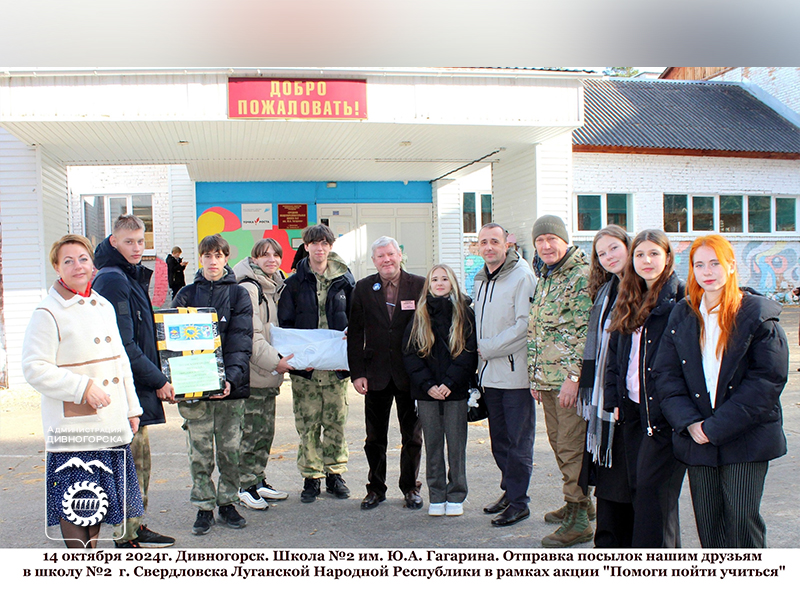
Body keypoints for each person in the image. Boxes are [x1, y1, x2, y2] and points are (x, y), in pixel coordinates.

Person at [655, 235, 788, 548]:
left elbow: (767, 380)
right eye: (699, 264)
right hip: (698, 437)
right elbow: (666, 374)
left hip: (746, 438)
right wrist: (690, 422)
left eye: (714, 262)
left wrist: (716, 427)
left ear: (731, 265)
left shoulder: (757, 316)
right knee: (710, 526)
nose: (707, 271)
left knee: (741, 521)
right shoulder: (683, 314)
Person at [22, 235, 144, 548]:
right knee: (78, 505)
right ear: (56, 267)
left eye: (83, 258)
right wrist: (83, 387)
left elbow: (120, 362)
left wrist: (131, 408)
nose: (78, 266)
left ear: (92, 263)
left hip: (109, 423)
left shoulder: (101, 304)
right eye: (68, 260)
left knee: (97, 506)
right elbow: (35, 368)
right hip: (74, 427)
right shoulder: (47, 313)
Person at [93, 214, 175, 548]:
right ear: (114, 241)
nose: (137, 247)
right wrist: (158, 380)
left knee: (138, 463)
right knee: (129, 464)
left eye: (141, 241)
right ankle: (124, 534)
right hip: (125, 392)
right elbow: (123, 346)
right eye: (129, 241)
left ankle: (134, 525)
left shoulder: (125, 276)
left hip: (134, 390)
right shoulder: (113, 280)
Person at [605, 229, 686, 548]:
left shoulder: (680, 300)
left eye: (654, 253)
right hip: (633, 412)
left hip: (663, 417)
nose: (646, 260)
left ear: (667, 258)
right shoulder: (629, 296)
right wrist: (615, 399)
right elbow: (616, 356)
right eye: (640, 254)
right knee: (640, 490)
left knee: (655, 497)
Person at [173, 234, 253, 534]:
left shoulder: (238, 295)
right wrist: (179, 380)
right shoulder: (185, 294)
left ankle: (228, 503)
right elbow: (173, 344)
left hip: (230, 389)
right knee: (200, 451)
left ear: (226, 258)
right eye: (207, 255)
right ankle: (204, 506)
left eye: (218, 255)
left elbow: (241, 340)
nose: (213, 261)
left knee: (230, 450)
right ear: (201, 258)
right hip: (194, 388)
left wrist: (229, 378)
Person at [527, 214, 593, 546]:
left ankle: (579, 517)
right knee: (558, 443)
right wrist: (537, 378)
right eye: (540, 240)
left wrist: (573, 377)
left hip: (568, 382)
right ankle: (581, 502)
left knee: (570, 446)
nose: (546, 245)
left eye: (551, 239)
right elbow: (539, 331)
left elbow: (584, 333)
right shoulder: (548, 276)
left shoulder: (579, 276)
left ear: (565, 241)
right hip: (549, 380)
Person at [278, 224, 355, 503]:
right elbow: (285, 327)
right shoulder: (294, 282)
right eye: (314, 243)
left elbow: (356, 321)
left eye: (325, 243)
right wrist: (299, 362)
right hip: (306, 372)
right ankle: (311, 477)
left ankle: (335, 474)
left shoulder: (346, 281)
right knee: (308, 424)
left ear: (331, 246)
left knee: (335, 423)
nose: (320, 248)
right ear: (306, 246)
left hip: (336, 370)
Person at [348, 236, 426, 510]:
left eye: (391, 254)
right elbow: (356, 334)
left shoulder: (419, 285)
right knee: (375, 438)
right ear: (374, 261)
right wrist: (357, 373)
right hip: (376, 375)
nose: (386, 260)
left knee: (412, 437)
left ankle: (410, 487)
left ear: (400, 255)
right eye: (380, 256)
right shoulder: (363, 288)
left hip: (411, 375)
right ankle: (376, 488)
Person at [473, 223, 536, 527]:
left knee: (517, 441)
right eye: (483, 242)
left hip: (514, 374)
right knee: (499, 441)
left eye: (494, 241)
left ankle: (520, 502)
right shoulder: (481, 279)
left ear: (507, 245)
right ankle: (509, 492)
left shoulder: (521, 276)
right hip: (489, 375)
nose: (488, 247)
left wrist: (486, 348)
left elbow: (524, 327)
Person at [403, 264, 478, 517]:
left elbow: (468, 354)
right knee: (433, 445)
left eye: (445, 278)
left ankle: (456, 494)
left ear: (453, 283)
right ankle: (436, 495)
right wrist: (429, 386)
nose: (439, 282)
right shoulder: (419, 315)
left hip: (454, 392)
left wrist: (448, 383)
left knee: (456, 445)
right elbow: (411, 355)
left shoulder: (465, 314)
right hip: (427, 394)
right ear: (428, 285)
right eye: (434, 279)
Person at [576, 225, 631, 547]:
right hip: (603, 401)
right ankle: (608, 543)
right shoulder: (607, 291)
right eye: (601, 253)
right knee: (608, 483)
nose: (608, 257)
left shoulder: (641, 291)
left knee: (625, 484)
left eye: (614, 248)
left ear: (628, 246)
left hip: (626, 403)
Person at [233, 238, 292, 509]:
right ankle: (244, 485)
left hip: (269, 373)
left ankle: (257, 479)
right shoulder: (248, 288)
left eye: (275, 255)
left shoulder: (275, 285)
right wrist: (276, 362)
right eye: (264, 255)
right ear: (253, 258)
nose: (271, 259)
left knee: (264, 432)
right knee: (251, 432)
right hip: (255, 373)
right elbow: (252, 335)